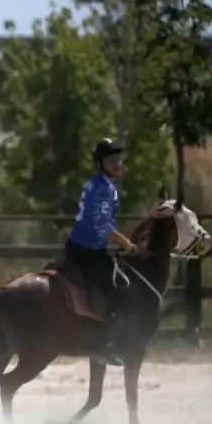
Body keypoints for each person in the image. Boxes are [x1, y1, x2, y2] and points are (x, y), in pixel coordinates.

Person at [64, 138, 138, 367]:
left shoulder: (97, 184)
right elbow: (101, 226)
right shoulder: (104, 188)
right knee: (123, 291)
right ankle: (100, 344)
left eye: (118, 158)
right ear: (100, 163)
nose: (117, 163)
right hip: (88, 251)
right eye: (111, 159)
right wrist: (126, 243)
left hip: (81, 247)